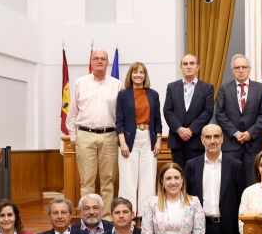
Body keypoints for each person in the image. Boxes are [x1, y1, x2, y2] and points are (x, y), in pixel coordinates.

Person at [66, 48, 123, 217]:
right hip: (85, 135)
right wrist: (72, 136)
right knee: (87, 181)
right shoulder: (80, 83)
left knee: (108, 180)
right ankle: (88, 216)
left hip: (109, 135)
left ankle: (105, 217)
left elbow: (121, 114)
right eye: (96, 58)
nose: (99, 61)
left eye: (103, 59)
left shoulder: (116, 84)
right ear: (90, 62)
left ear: (107, 63)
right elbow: (73, 112)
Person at [184, 124, 247, 234]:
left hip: (228, 230)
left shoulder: (236, 166)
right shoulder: (191, 166)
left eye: (216, 136)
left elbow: (241, 200)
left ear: (222, 139)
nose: (212, 141)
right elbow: (186, 200)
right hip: (200, 231)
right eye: (208, 137)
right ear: (202, 140)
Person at [116, 61, 162, 216]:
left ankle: (146, 217)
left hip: (148, 139)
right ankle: (127, 215)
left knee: (148, 181)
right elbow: (119, 120)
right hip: (128, 141)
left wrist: (159, 140)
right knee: (128, 181)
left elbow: (158, 120)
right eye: (135, 72)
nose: (138, 75)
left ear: (145, 75)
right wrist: (122, 142)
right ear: (131, 75)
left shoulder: (153, 94)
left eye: (141, 72)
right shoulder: (123, 94)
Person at [216, 53, 262, 183]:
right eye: (237, 67)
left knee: (252, 182)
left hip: (253, 145)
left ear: (249, 69)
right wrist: (235, 133)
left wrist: (249, 133)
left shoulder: (261, 89)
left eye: (244, 67)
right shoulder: (224, 89)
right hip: (231, 145)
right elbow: (220, 114)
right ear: (232, 70)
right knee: (231, 183)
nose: (241, 70)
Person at [164, 54, 215, 168]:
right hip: (177, 140)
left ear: (198, 67)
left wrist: (191, 130)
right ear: (181, 67)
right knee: (178, 175)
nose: (188, 66)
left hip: (196, 141)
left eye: (192, 63)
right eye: (185, 64)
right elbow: (167, 111)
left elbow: (208, 112)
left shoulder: (207, 88)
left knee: (196, 176)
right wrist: (179, 129)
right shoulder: (172, 87)